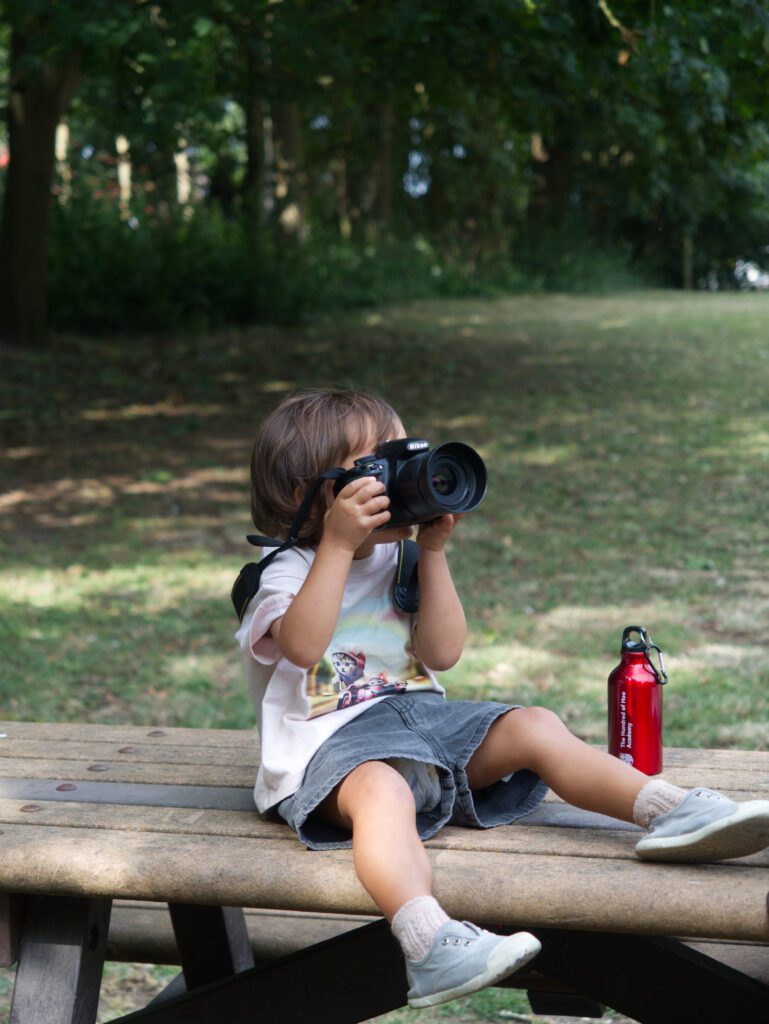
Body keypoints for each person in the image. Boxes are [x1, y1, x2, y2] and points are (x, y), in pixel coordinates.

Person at [236, 387, 769, 1010]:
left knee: (535, 724)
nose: (402, 478)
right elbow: (301, 646)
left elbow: (442, 653)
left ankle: (669, 810)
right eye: (378, 468)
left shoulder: (399, 559)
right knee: (382, 792)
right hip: (331, 756)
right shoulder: (282, 573)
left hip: (424, 728)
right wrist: (332, 545)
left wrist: (430, 553)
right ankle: (428, 943)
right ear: (311, 494)